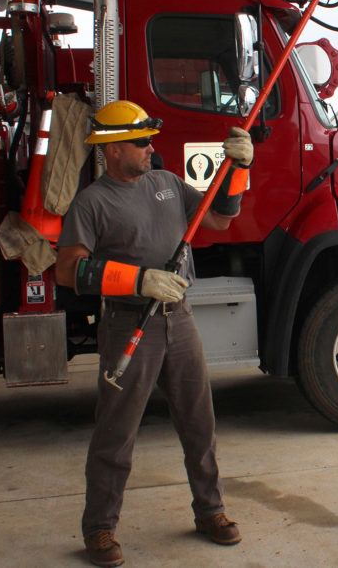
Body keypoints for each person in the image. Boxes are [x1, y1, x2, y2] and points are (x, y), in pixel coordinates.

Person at [55, 100, 254, 567]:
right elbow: (67, 270)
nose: (151, 149)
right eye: (141, 142)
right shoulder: (93, 202)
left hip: (178, 320)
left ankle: (210, 511)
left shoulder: (165, 184)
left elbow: (220, 217)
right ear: (112, 149)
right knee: (117, 433)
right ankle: (99, 530)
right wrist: (138, 279)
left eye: (150, 140)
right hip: (129, 324)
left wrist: (239, 170)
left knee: (199, 424)